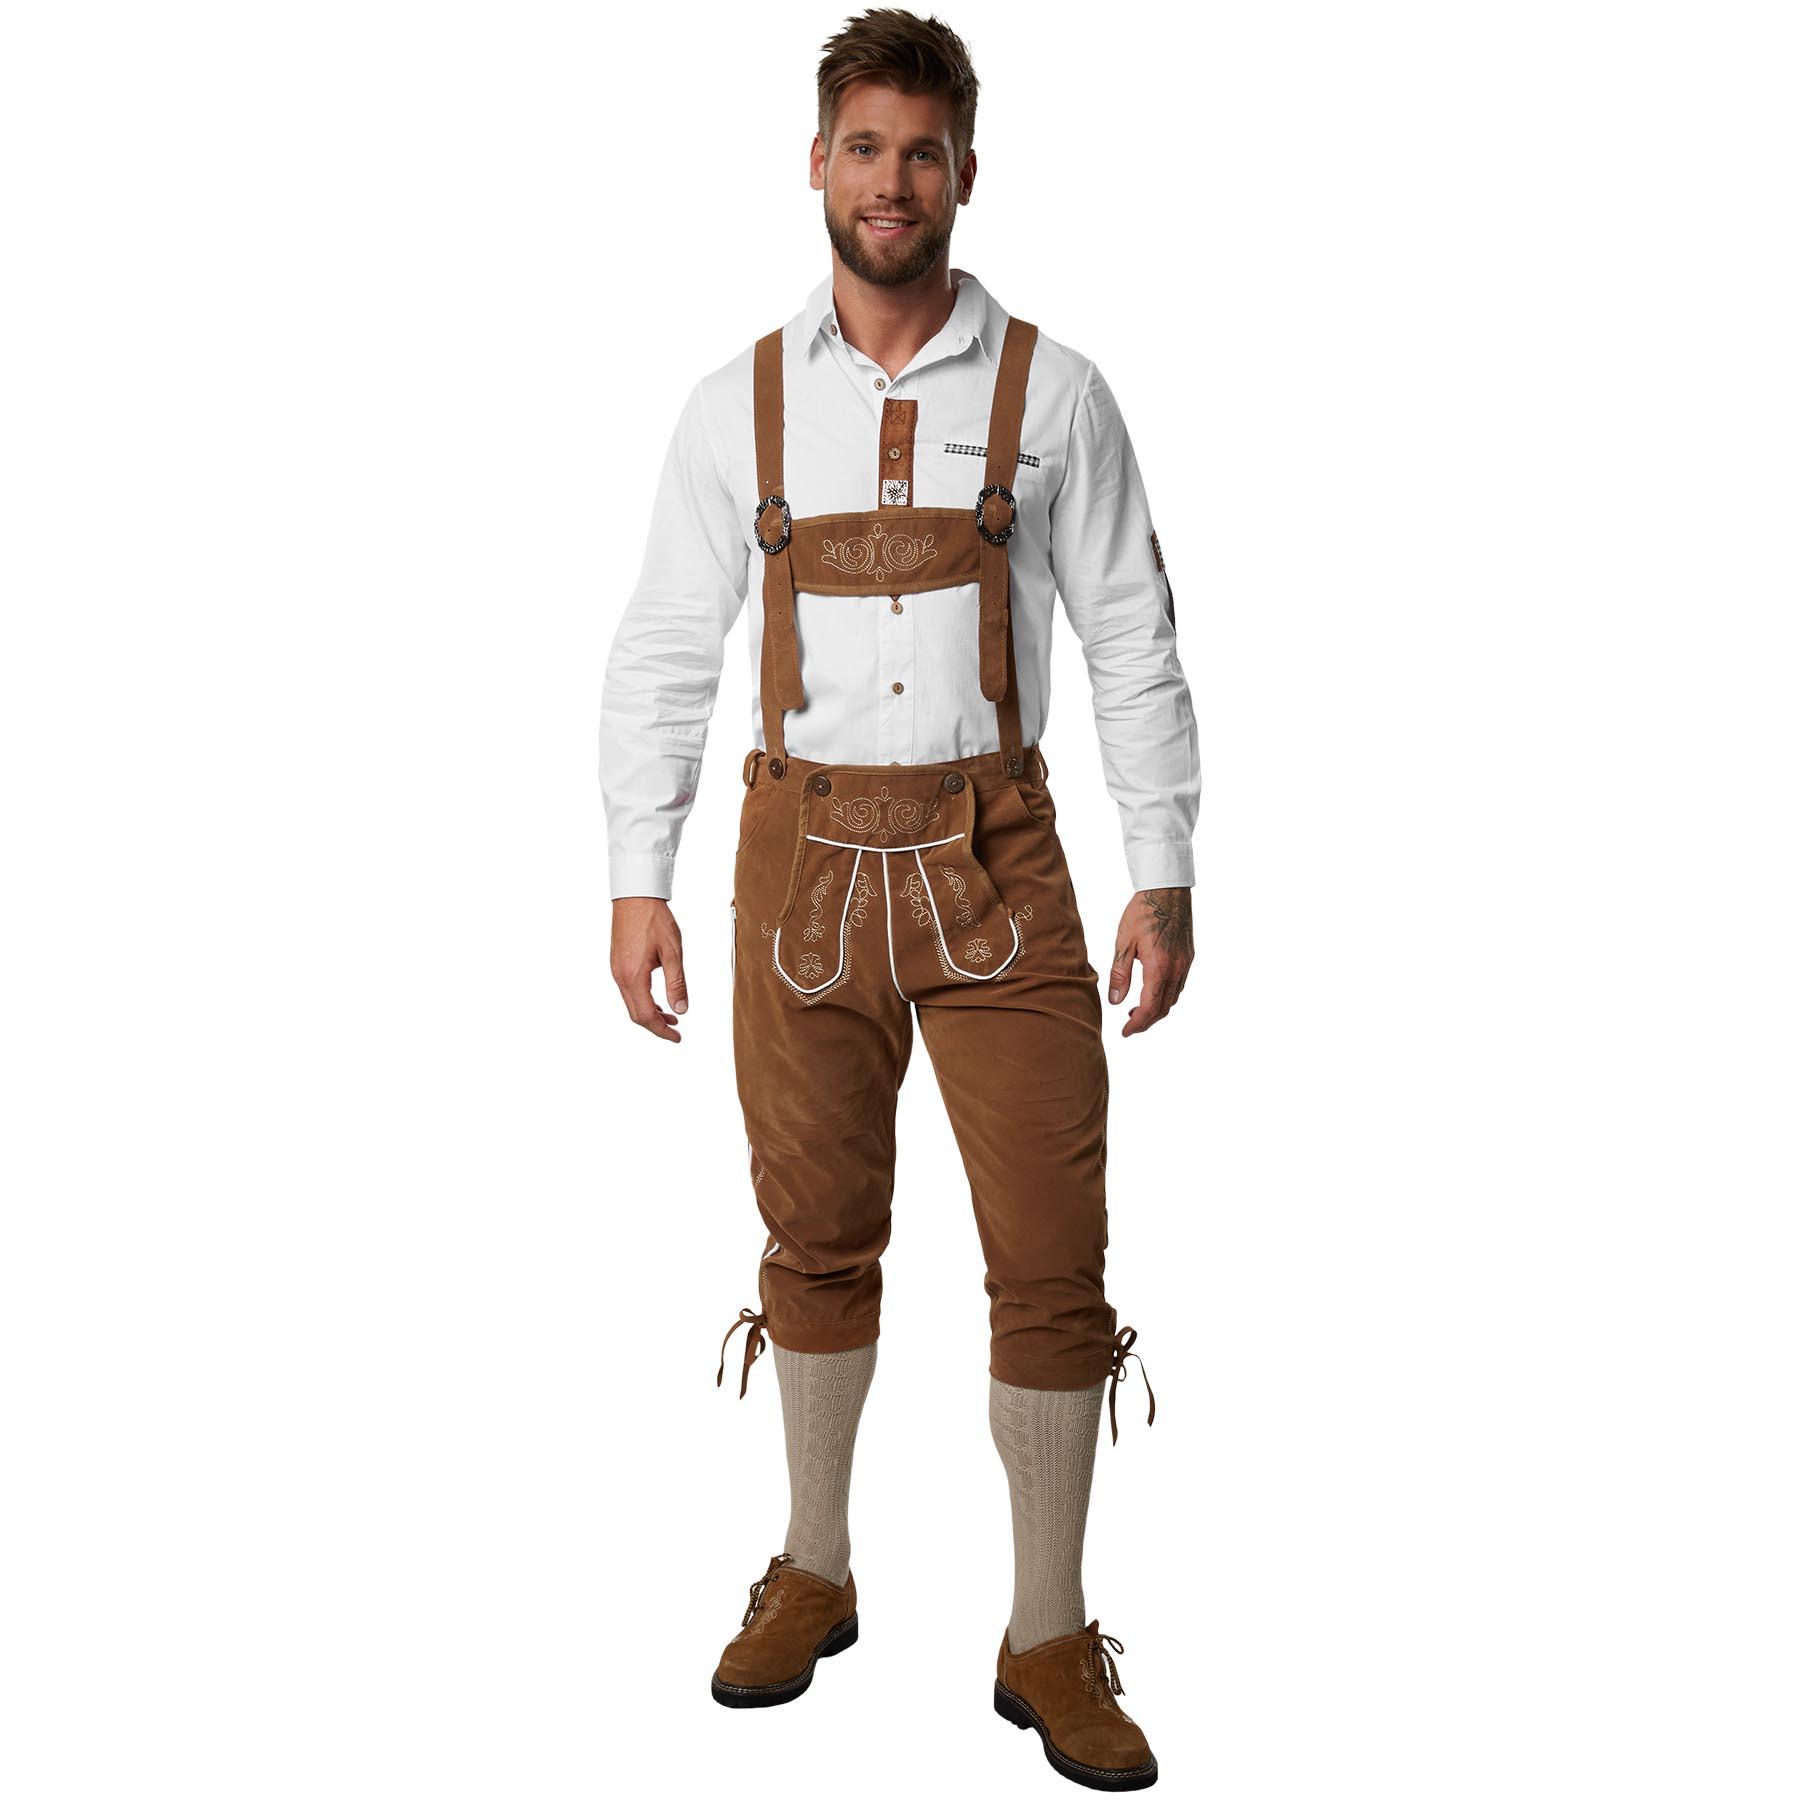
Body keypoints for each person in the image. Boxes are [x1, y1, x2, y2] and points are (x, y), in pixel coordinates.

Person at [599, 10, 1198, 1789]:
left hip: (999, 861)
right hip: (796, 859)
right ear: (817, 164)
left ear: (965, 173)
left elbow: (1133, 636)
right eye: (862, 148)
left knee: (1053, 1253)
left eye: (920, 152)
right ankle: (815, 1565)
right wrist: (639, 874)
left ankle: (1047, 1632)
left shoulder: (1057, 392)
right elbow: (664, 646)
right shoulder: (737, 403)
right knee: (814, 1234)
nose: (890, 182)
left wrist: (1163, 863)